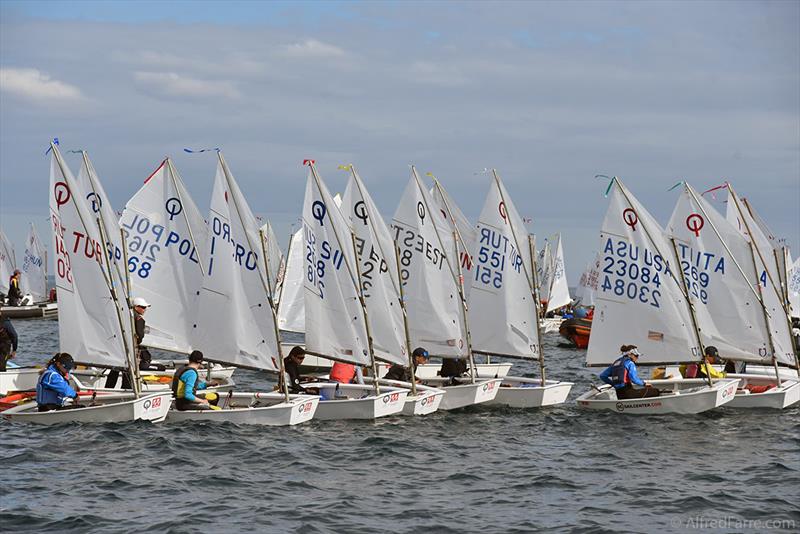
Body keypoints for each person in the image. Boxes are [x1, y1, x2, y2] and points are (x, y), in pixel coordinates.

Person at [131, 297, 164, 371]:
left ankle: (111, 383)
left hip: (127, 352)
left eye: (145, 307)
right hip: (134, 354)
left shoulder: (128, 316)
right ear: (136, 307)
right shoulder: (139, 319)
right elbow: (140, 337)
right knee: (162, 367)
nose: (145, 309)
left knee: (116, 372)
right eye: (143, 307)